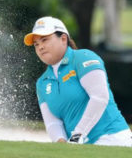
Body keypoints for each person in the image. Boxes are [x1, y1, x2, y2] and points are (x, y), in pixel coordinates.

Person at [24, 16, 132, 146]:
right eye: (36, 44)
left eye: (45, 40)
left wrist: (77, 134)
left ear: (63, 39)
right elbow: (53, 122)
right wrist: (61, 143)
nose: (40, 47)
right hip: (80, 146)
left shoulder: (83, 58)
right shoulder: (42, 83)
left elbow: (100, 98)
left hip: (113, 138)